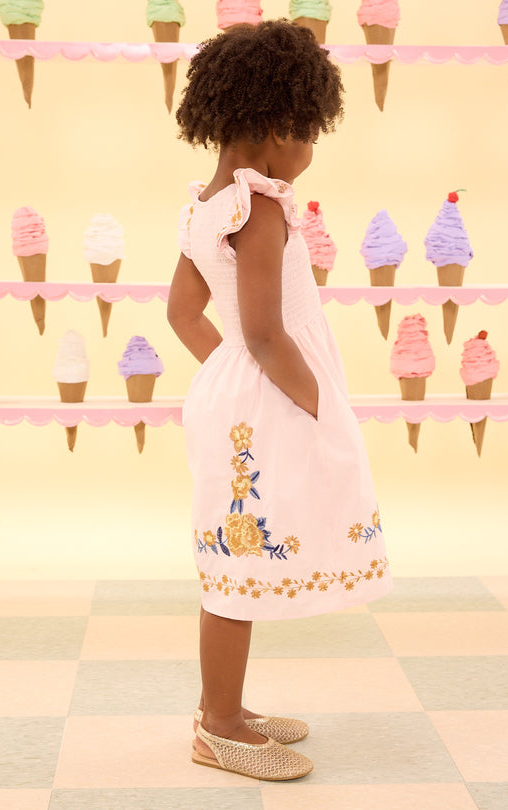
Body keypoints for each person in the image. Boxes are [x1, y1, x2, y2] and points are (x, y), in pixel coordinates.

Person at [167, 19, 392, 781]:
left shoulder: (205, 205)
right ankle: (218, 727)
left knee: (241, 553)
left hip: (240, 398)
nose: (311, 150)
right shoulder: (257, 207)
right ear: (276, 125)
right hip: (270, 395)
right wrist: (318, 407)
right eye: (311, 134)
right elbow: (265, 333)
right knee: (236, 561)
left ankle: (225, 704)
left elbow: (184, 315)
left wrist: (228, 383)